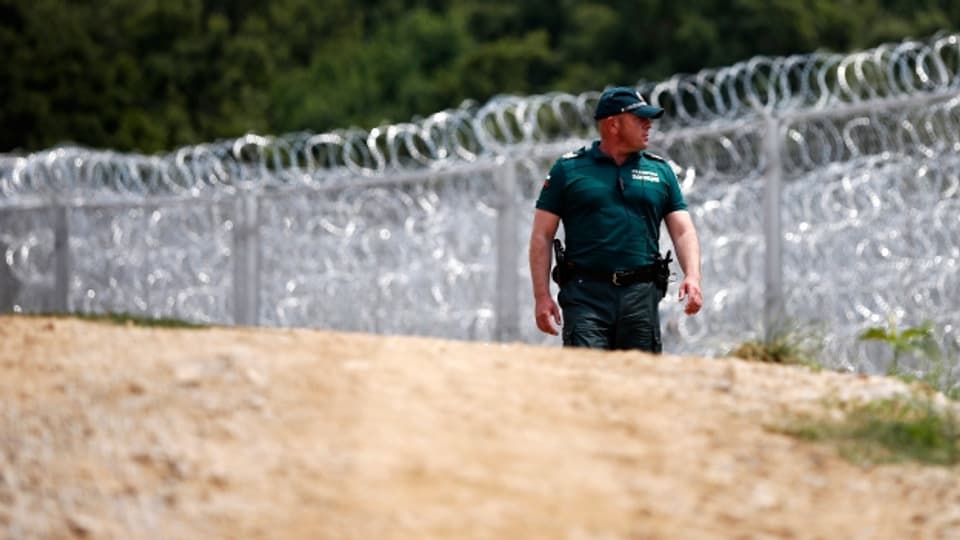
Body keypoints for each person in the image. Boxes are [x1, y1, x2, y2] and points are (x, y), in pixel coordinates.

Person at [528, 86, 703, 352]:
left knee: (638, 380)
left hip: (640, 296)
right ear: (613, 124)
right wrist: (542, 296)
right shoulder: (569, 169)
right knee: (588, 376)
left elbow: (683, 230)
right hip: (585, 294)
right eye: (640, 119)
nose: (648, 125)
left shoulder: (660, 171)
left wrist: (693, 276)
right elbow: (542, 234)